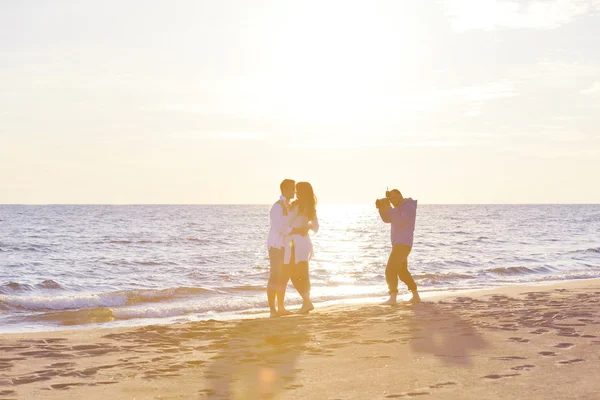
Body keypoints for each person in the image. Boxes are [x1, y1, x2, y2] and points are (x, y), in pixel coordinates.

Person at [376, 189, 421, 304]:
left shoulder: (408, 205)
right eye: (390, 199)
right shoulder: (397, 208)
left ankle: (393, 298)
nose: (392, 201)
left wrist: (389, 208)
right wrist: (381, 208)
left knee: (390, 271)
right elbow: (387, 219)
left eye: (394, 198)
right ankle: (415, 296)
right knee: (402, 272)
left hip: (403, 244)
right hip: (398, 244)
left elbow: (402, 220)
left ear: (400, 195)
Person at [284, 182, 319, 314]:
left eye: (297, 190)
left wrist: (298, 229)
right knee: (303, 274)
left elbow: (286, 225)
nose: (295, 192)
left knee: (292, 273)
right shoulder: (310, 208)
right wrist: (306, 227)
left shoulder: (297, 206)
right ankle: (306, 302)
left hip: (295, 244)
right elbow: (316, 227)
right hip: (306, 243)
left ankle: (307, 301)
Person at [266, 179, 296, 318]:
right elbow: (280, 228)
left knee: (284, 277)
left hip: (286, 247)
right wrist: (295, 229)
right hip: (276, 246)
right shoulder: (277, 207)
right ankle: (272, 310)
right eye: (291, 188)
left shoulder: (290, 206)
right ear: (284, 189)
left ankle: (282, 307)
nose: (294, 191)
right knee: (275, 276)